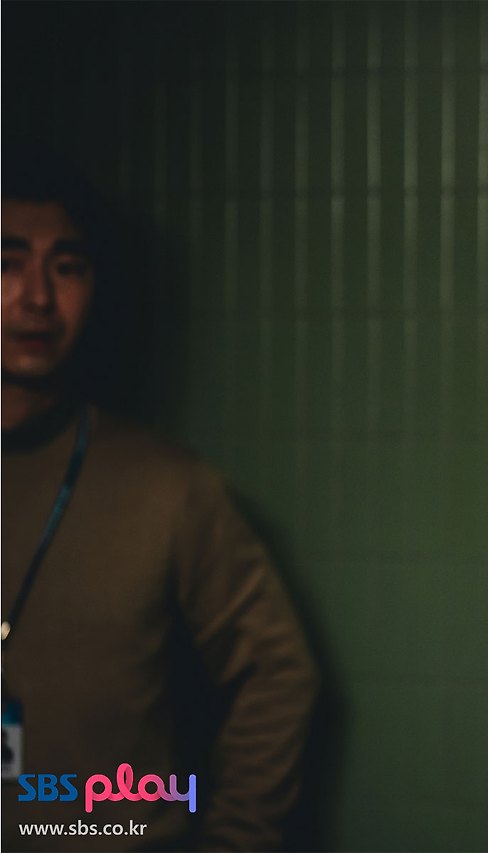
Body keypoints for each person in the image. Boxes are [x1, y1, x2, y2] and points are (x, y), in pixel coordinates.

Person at [1, 145, 319, 850]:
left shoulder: (166, 486)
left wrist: (234, 839)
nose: (39, 297)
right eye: (7, 262)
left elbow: (279, 673)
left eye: (68, 267)